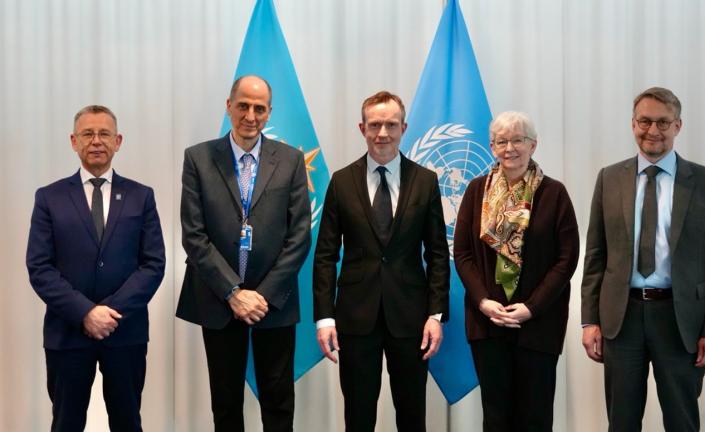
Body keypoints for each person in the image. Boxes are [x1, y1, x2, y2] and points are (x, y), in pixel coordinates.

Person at [581, 86, 705, 431]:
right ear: (633, 124)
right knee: (622, 421)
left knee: (681, 421)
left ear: (678, 126)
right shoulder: (609, 178)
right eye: (645, 121)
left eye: (663, 122)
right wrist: (590, 320)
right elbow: (596, 255)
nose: (653, 131)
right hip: (622, 317)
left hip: (681, 321)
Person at [176, 75, 311, 431]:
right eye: (243, 106)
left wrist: (261, 296)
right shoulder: (199, 158)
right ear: (229, 106)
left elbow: (299, 236)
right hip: (219, 299)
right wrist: (234, 293)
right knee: (225, 402)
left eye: (259, 108)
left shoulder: (292, 160)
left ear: (269, 113)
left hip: (273, 301)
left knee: (279, 401)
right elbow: (193, 235)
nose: (250, 115)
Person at [313, 91, 450, 432]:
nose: (383, 133)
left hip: (411, 319)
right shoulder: (341, 181)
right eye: (375, 124)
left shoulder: (426, 181)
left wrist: (435, 314)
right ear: (362, 128)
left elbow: (436, 254)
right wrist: (324, 318)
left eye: (391, 124)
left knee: (411, 415)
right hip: (356, 319)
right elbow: (326, 255)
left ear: (404, 127)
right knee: (358, 416)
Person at [26, 105, 165, 431]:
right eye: (88, 133)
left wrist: (109, 312)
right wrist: (85, 312)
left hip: (125, 331)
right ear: (74, 141)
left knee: (128, 422)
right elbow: (39, 266)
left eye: (104, 134)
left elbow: (154, 264)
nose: (96, 141)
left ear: (118, 141)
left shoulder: (141, 196)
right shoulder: (49, 197)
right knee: (66, 423)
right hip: (67, 333)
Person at [453, 111, 579, 430]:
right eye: (501, 141)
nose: (510, 148)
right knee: (496, 417)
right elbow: (463, 253)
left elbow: (567, 258)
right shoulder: (476, 191)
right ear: (492, 147)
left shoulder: (554, 193)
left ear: (533, 145)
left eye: (518, 140)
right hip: (488, 322)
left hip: (538, 324)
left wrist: (531, 308)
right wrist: (482, 301)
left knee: (535, 417)